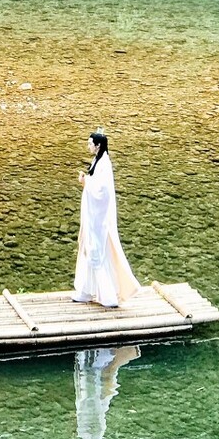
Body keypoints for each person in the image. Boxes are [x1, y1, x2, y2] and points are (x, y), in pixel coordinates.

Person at [73, 131, 140, 307]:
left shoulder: (104, 164)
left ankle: (108, 296)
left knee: (96, 254)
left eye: (90, 143)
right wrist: (87, 180)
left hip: (99, 220)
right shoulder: (98, 161)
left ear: (98, 145)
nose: (88, 146)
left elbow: (102, 192)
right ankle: (86, 292)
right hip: (94, 218)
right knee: (91, 252)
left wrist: (85, 182)